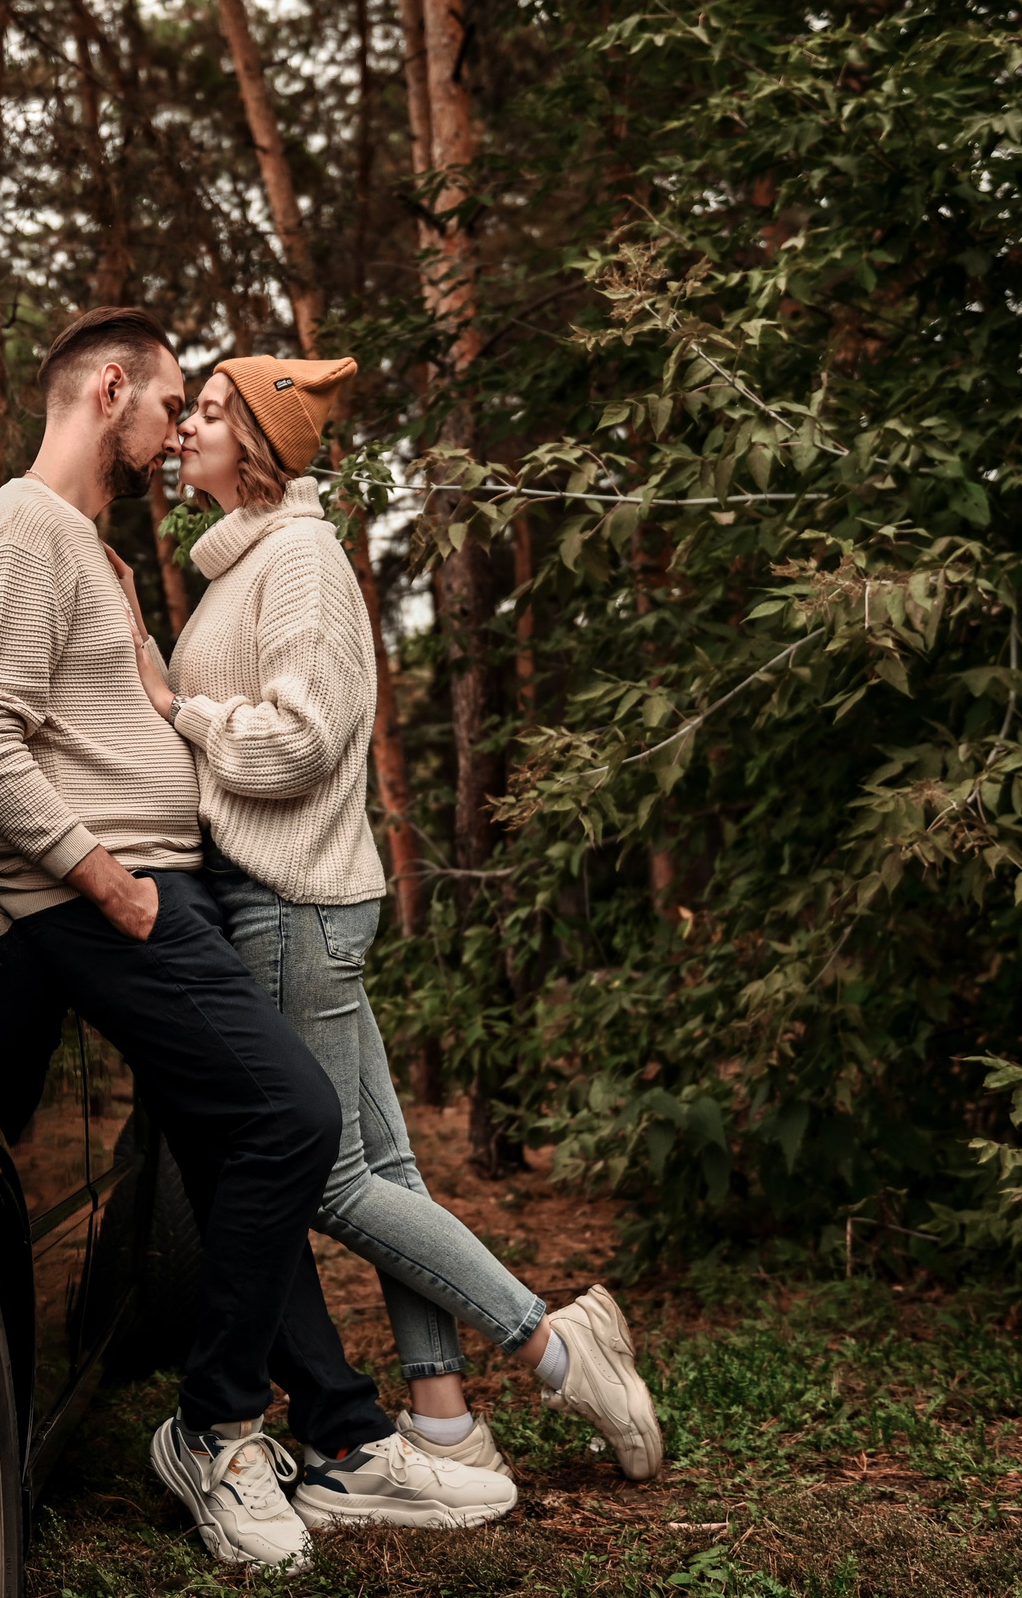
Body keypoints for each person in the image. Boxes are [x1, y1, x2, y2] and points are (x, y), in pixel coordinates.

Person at [0, 307, 514, 1566]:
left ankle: (346, 1431)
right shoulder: (17, 529)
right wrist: (108, 882)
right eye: (166, 399)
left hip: (164, 884)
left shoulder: (85, 547)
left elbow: (116, 711)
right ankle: (218, 1421)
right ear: (107, 389)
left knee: (227, 1147)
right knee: (295, 1122)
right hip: (115, 895)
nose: (173, 427)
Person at [110, 353, 667, 1486]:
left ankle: (555, 1348)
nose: (187, 430)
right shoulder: (251, 563)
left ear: (261, 444)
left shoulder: (303, 562)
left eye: (211, 413)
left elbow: (302, 738)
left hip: (290, 899)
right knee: (387, 1170)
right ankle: (447, 1419)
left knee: (322, 1176)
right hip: (292, 896)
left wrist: (179, 710)